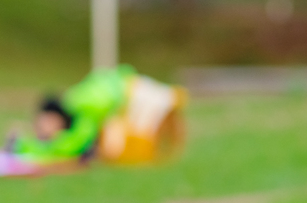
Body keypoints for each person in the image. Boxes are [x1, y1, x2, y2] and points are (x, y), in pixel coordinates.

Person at [12, 65, 186, 165]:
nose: (42, 131)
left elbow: (71, 147)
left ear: (53, 118)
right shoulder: (78, 99)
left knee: (127, 148)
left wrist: (20, 145)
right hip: (134, 89)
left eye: (42, 126)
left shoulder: (82, 107)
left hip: (136, 95)